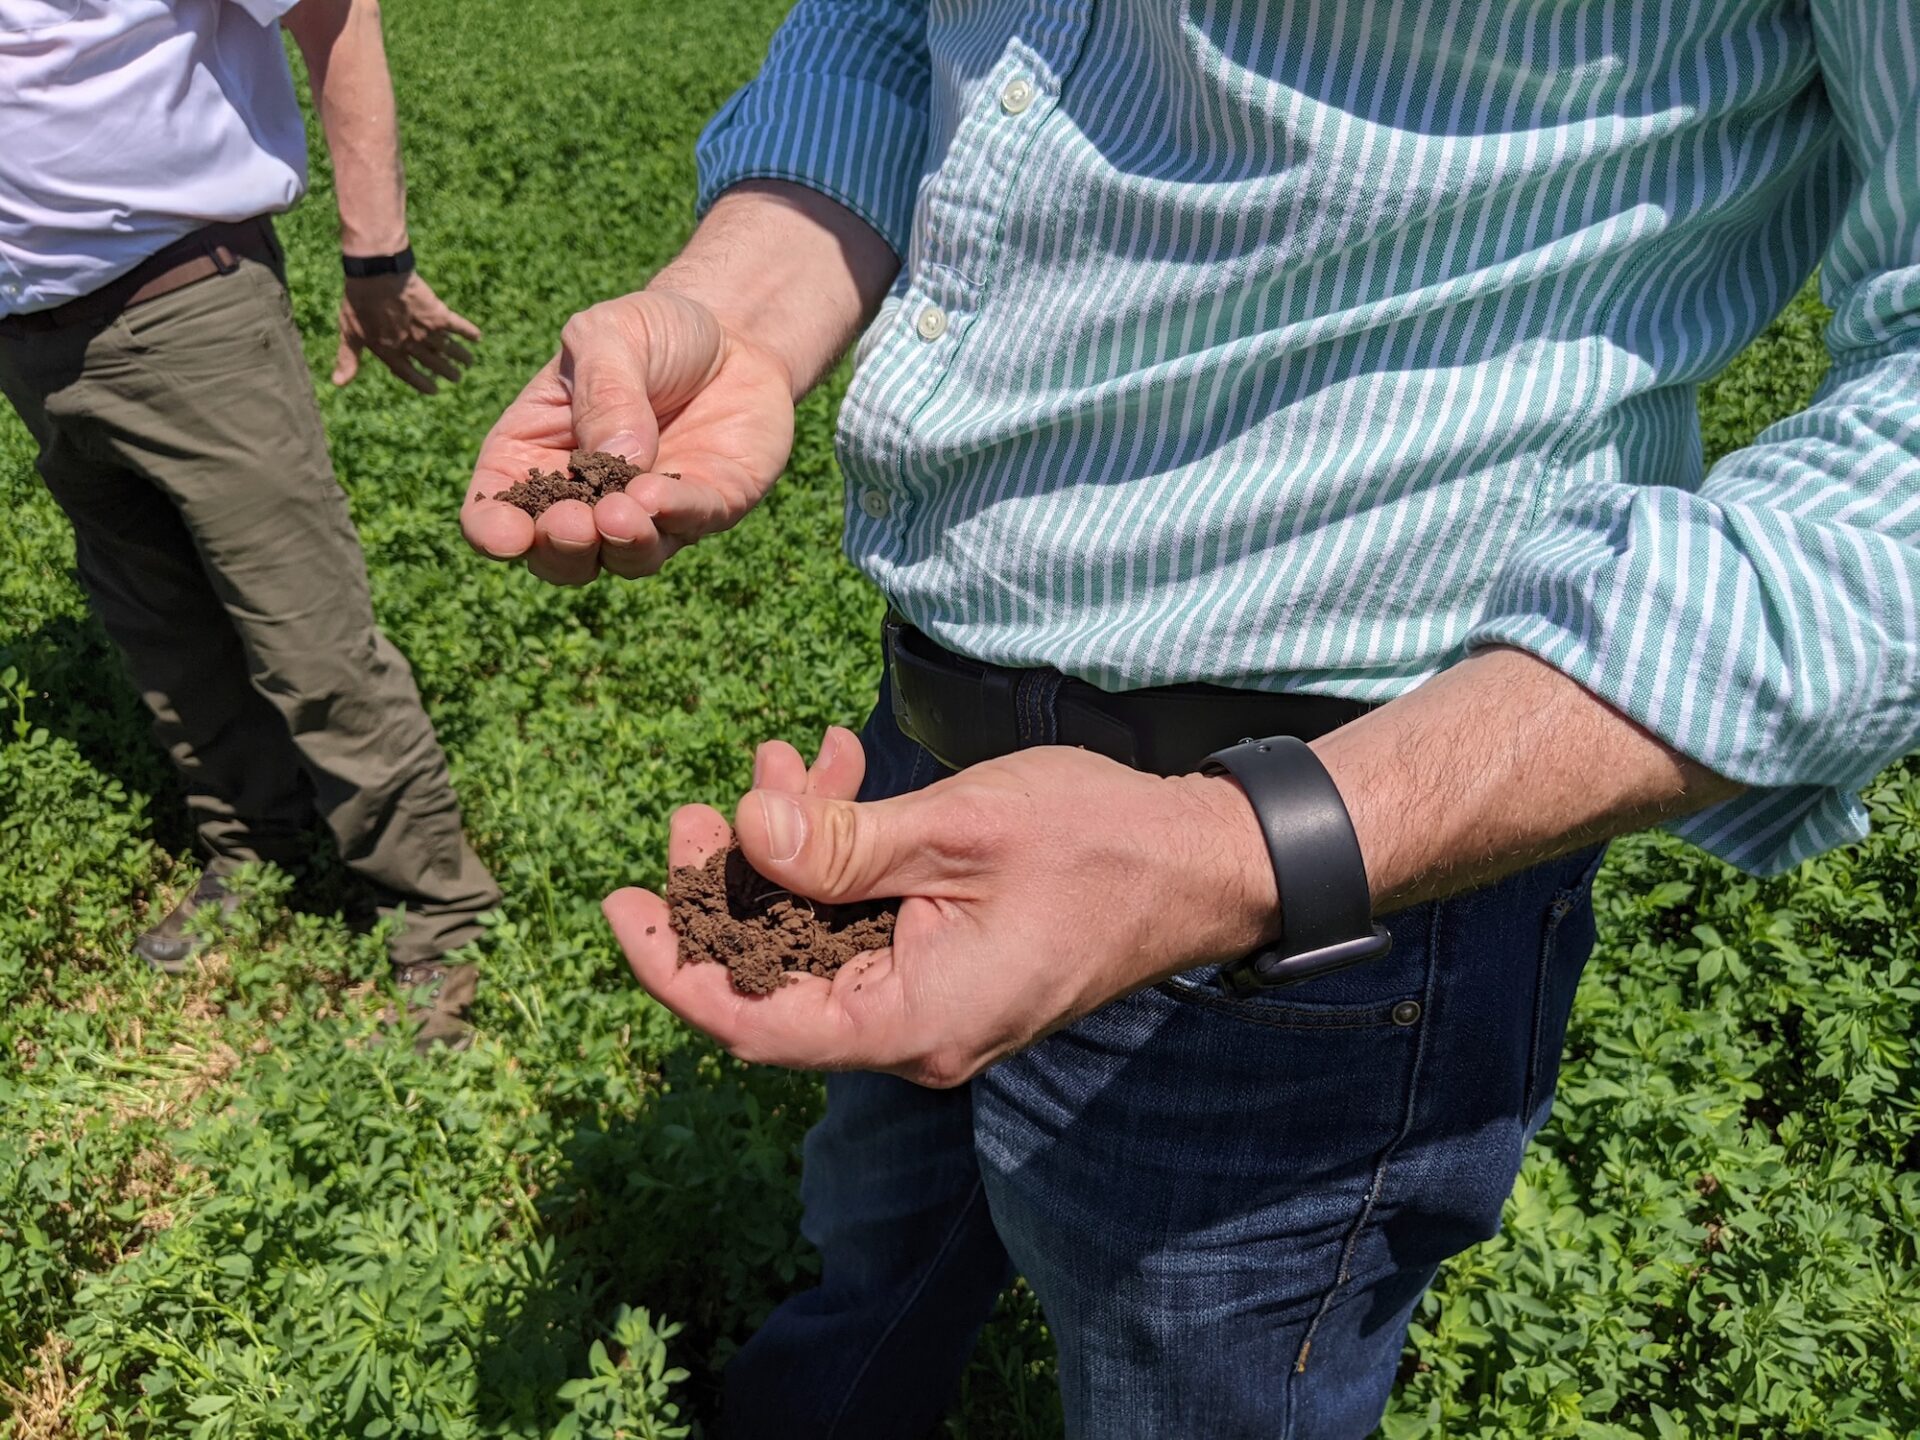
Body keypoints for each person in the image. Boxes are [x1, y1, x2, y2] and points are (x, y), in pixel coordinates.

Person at [465, 1, 1920, 1433]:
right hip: (929, 734)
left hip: (1327, 877)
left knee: (1192, 1384)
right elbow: (902, 22)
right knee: (876, 1236)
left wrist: (1234, 852)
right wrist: (746, 308)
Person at [0, 0, 498, 1048]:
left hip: (183, 308)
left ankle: (437, 918)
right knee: (157, 625)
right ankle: (252, 850)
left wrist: (375, 261)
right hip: (30, 342)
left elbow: (336, 16)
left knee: (305, 635)